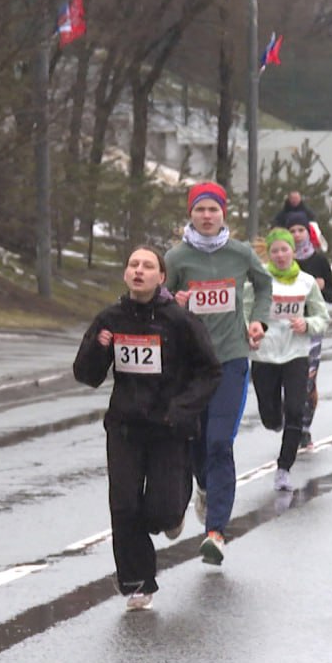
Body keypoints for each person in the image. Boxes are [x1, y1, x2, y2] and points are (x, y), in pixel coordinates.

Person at [73, 246, 223, 611]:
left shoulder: (180, 321)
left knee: (162, 512)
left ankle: (176, 510)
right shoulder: (111, 318)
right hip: (125, 427)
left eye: (148, 266)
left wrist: (180, 409)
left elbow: (210, 372)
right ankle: (137, 582)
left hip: (169, 428)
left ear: (161, 277)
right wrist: (98, 345)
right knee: (124, 506)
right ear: (126, 274)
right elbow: (87, 374)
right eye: (133, 264)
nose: (139, 271)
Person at [164, 181, 272, 566]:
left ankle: (216, 532)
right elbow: (157, 300)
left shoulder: (240, 253)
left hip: (230, 360)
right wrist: (172, 301)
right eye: (200, 210)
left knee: (219, 442)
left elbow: (264, 286)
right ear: (190, 215)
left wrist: (259, 321)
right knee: (195, 444)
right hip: (188, 366)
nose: (207, 217)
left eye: (213, 209)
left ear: (224, 213)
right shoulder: (176, 259)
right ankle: (204, 488)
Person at [247, 228, 330, 491]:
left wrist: (307, 324)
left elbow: (323, 317)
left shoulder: (306, 282)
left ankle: (284, 467)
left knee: (296, 410)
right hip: (265, 354)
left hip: (296, 354)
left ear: (293, 252)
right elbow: (244, 311)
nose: (281, 255)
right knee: (271, 417)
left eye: (285, 250)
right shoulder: (258, 281)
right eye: (275, 251)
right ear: (269, 254)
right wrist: (250, 328)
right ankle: (276, 418)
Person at [282, 212, 332, 450]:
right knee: (285, 379)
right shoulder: (280, 261)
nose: (296, 235)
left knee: (306, 380)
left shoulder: (319, 261)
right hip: (283, 327)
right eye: (292, 231)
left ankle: (302, 429)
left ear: (308, 232)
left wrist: (322, 288)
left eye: (300, 230)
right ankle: (289, 421)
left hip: (311, 327)